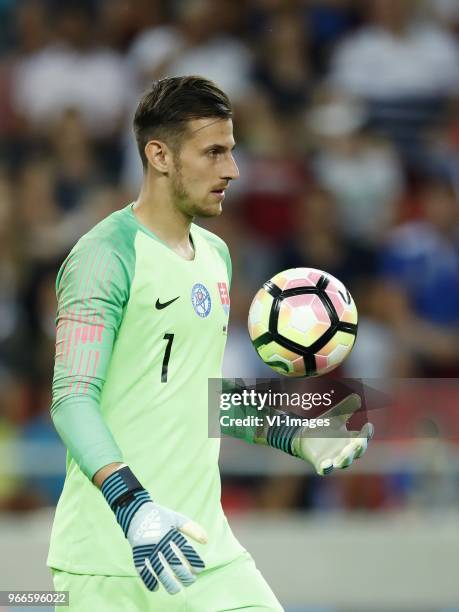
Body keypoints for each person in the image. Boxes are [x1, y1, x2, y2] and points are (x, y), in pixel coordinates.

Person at [47, 76, 372, 611]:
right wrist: (135, 508)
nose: (232, 170)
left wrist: (297, 434)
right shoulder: (104, 256)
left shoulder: (216, 255)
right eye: (213, 152)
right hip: (108, 560)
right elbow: (71, 399)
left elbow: (197, 393)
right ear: (160, 156)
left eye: (232, 152)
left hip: (206, 550)